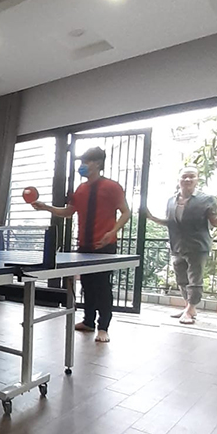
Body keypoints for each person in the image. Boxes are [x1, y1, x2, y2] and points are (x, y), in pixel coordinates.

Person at [32, 146, 131, 343]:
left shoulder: (112, 187)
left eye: (86, 162)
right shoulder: (81, 189)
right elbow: (69, 212)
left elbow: (126, 212)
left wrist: (112, 232)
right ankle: (88, 321)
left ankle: (103, 328)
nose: (82, 165)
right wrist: (46, 207)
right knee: (87, 285)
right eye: (82, 162)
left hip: (105, 246)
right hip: (84, 245)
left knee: (102, 286)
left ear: (98, 163)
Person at [146, 165, 217, 325]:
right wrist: (151, 217)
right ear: (179, 179)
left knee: (195, 280)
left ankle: (190, 310)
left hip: (197, 246)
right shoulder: (171, 200)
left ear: (197, 180)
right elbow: (170, 223)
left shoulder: (206, 199)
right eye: (184, 176)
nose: (187, 179)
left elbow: (215, 222)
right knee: (181, 279)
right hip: (177, 246)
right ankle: (189, 307)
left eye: (191, 176)